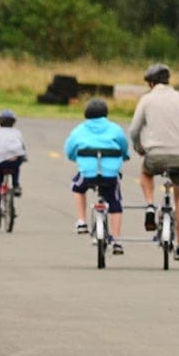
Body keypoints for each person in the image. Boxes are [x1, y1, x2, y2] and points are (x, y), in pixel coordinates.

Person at [128, 63, 179, 261]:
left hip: (155, 155)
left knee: (146, 173)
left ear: (152, 83)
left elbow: (134, 130)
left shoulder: (147, 100)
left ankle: (150, 204)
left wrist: (140, 148)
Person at [65, 99, 130, 255]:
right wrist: (124, 157)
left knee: (78, 187)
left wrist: (77, 159)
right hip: (110, 174)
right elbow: (124, 147)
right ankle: (116, 240)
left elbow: (70, 150)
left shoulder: (79, 130)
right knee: (115, 202)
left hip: (88, 173)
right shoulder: (115, 129)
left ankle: (81, 221)